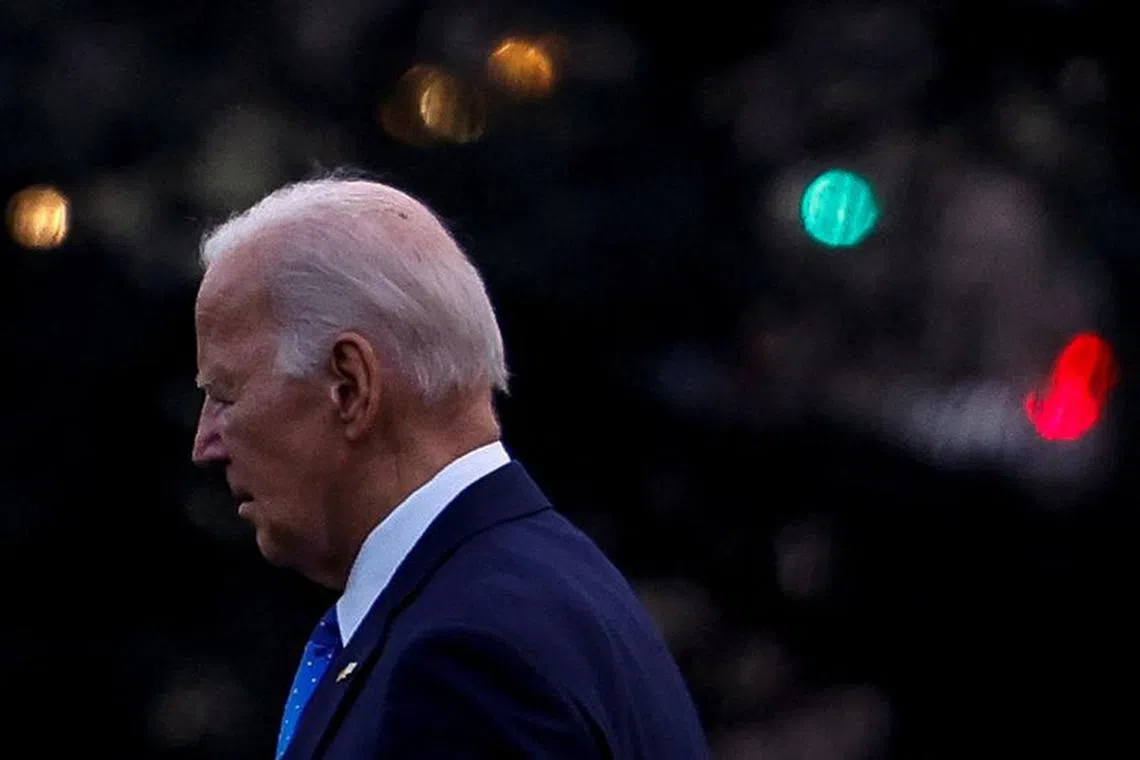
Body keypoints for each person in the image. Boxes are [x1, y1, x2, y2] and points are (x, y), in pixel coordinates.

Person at [190, 174, 711, 759]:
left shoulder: (459, 659)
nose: (205, 443)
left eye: (227, 396)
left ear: (349, 386)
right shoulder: (554, 589)